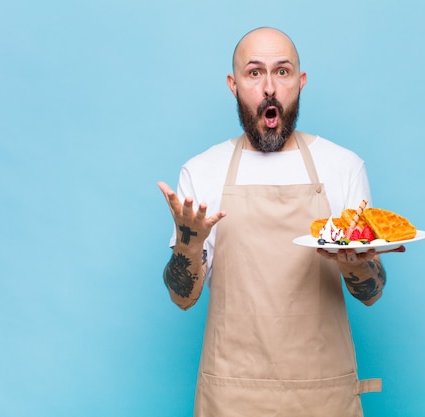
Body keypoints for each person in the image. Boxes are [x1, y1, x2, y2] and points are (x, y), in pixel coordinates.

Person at [158, 27, 404, 417]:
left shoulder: (343, 167)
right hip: (231, 396)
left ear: (300, 82)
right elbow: (182, 298)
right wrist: (190, 242)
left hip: (323, 395)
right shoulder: (201, 171)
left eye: (283, 72)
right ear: (233, 84)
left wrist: (354, 262)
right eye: (254, 73)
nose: (269, 88)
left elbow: (371, 292)